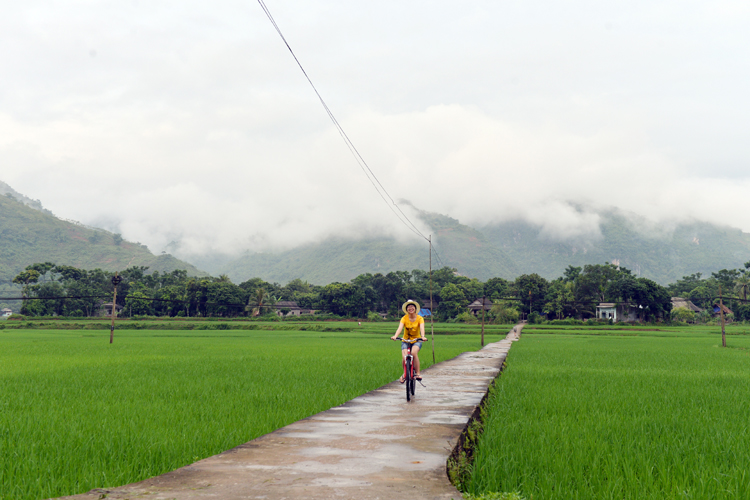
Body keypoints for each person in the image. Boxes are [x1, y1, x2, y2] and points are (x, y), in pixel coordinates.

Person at [391, 299, 427, 382]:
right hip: (405, 340)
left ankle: (418, 373)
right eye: (409, 307)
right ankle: (405, 374)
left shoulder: (420, 318)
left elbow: (422, 328)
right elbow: (400, 328)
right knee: (404, 357)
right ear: (406, 309)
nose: (410, 308)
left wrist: (423, 336)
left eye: (412, 307)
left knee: (414, 353)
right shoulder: (404, 318)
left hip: (416, 340)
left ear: (415, 308)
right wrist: (395, 336)